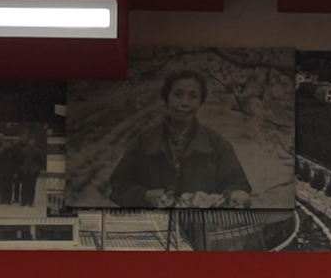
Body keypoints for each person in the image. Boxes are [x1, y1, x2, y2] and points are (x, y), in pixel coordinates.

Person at [106, 70, 252, 207]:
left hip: (203, 223)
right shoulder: (143, 142)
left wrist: (236, 195)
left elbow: (237, 185)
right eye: (178, 94)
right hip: (156, 222)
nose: (185, 103)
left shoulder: (218, 144)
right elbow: (119, 187)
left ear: (200, 102)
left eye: (193, 96)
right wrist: (145, 196)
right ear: (166, 98)